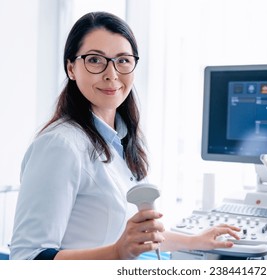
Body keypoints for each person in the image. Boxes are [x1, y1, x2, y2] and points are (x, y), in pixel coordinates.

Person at [10, 11, 240, 260]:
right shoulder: (59, 146)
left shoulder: (123, 139)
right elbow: (27, 258)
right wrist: (116, 252)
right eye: (95, 60)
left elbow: (132, 237)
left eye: (122, 60)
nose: (112, 74)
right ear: (71, 68)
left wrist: (196, 241)